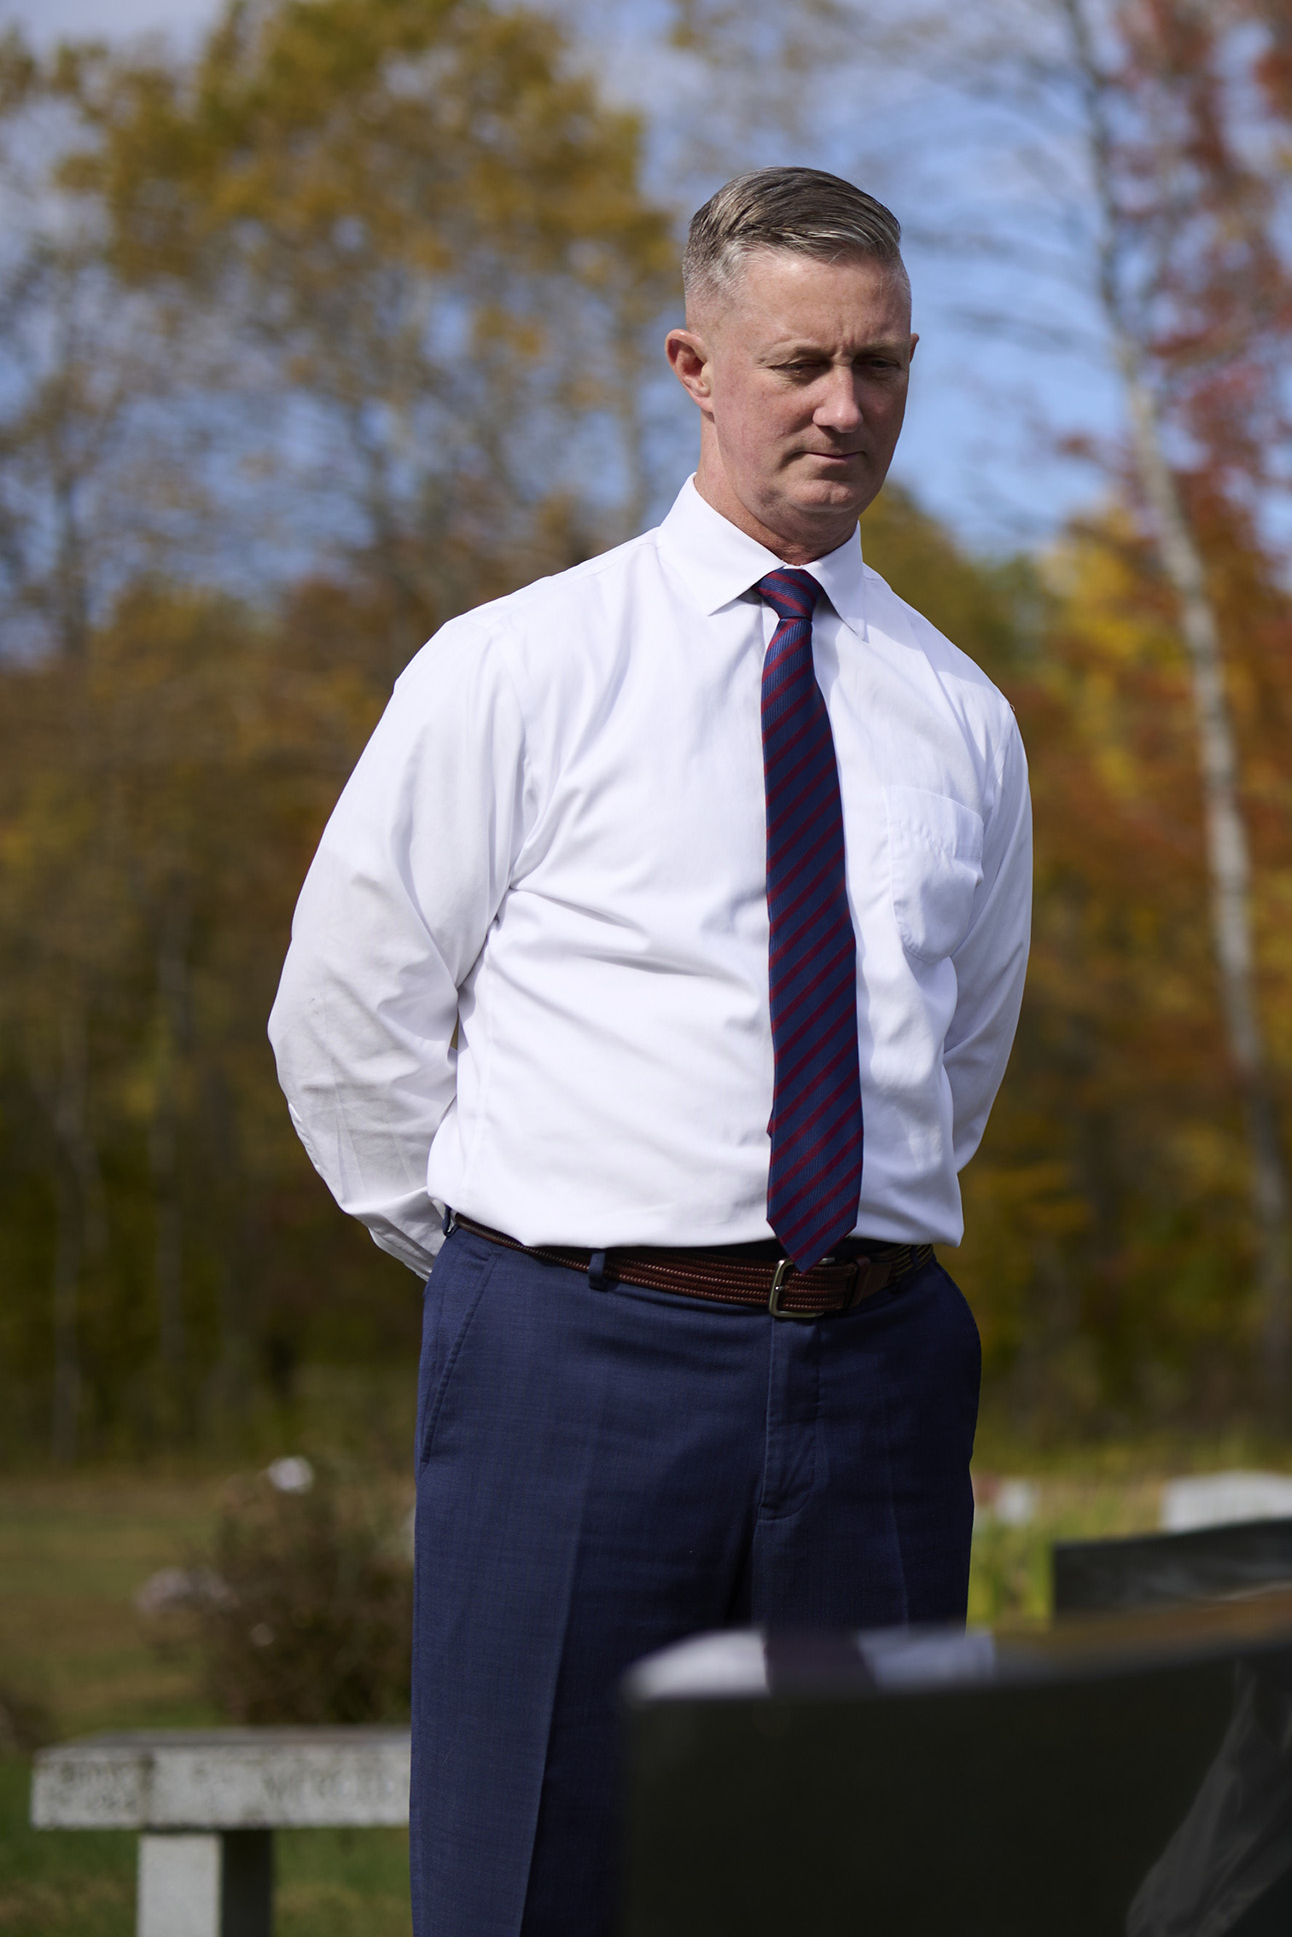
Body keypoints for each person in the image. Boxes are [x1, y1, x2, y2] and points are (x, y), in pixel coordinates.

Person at [269, 168, 1032, 1937]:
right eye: (802, 364)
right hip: (575, 1367)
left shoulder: (961, 719)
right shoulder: (518, 667)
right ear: (696, 363)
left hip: (879, 1381)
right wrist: (518, 1265)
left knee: (872, 1886)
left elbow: (951, 1057)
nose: (847, 407)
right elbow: (348, 1013)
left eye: (885, 365)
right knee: (535, 1889)